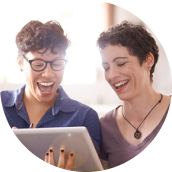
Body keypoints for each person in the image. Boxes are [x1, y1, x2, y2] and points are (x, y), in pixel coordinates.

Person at [0, 20, 101, 170]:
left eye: (57, 63)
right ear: (20, 63)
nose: (48, 74)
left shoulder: (85, 118)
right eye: (38, 64)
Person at [97, 21, 171, 169]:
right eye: (106, 67)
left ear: (148, 61)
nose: (111, 75)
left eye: (121, 64)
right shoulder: (104, 127)